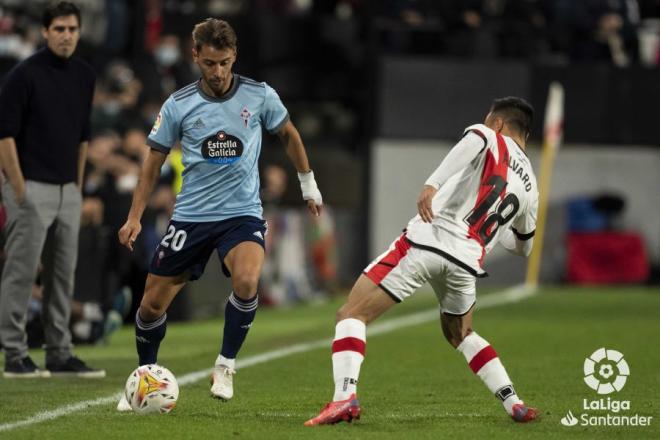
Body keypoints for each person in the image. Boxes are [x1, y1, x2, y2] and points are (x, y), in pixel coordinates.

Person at [116, 18, 323, 410]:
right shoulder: (178, 104)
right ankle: (145, 378)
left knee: (247, 281)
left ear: (234, 57)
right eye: (210, 63)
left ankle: (225, 364)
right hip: (190, 217)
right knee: (149, 307)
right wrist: (134, 216)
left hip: (241, 214)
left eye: (225, 62)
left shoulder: (260, 96)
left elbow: (290, 134)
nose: (218, 72)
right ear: (195, 56)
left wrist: (308, 185)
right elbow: (152, 163)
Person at [304, 97, 539, 426]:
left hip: (428, 242)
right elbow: (524, 248)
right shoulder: (531, 184)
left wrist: (431, 185)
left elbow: (472, 141)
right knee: (461, 334)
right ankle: (513, 401)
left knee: (351, 313)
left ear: (498, 123)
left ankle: (344, 398)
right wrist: (493, 233)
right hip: (467, 263)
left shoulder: (488, 136)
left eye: (488, 120)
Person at [0, 1, 104, 378]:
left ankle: (59, 352)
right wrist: (18, 186)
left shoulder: (85, 75)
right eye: (59, 29)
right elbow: (4, 135)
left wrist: (76, 186)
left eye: (72, 29)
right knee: (22, 273)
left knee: (63, 274)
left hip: (65, 190)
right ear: (45, 32)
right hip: (30, 186)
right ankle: (14, 354)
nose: (66, 35)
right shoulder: (22, 75)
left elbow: (82, 137)